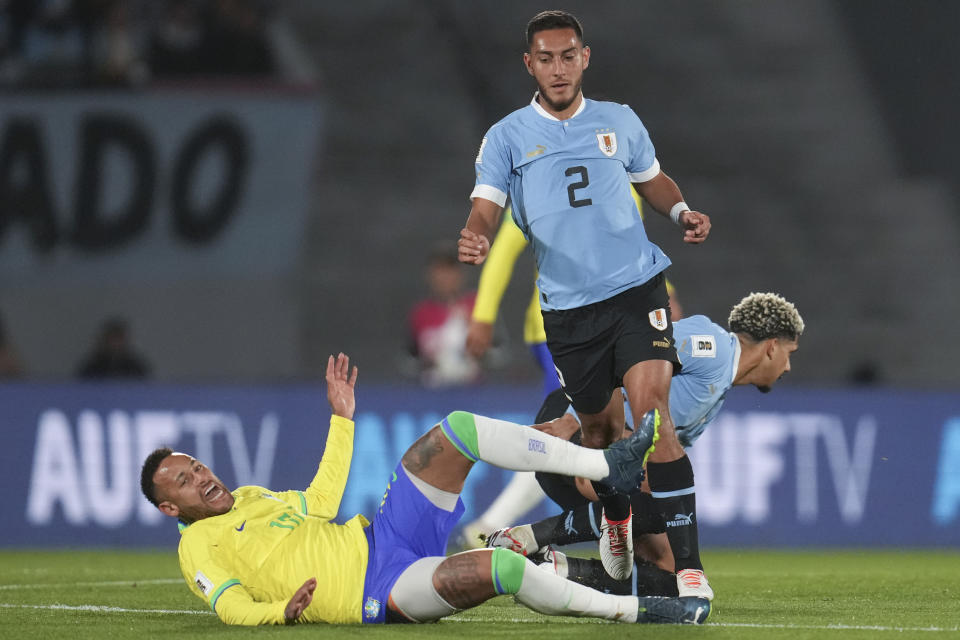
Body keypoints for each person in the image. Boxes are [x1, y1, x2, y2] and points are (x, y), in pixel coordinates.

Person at [140, 354, 710, 626]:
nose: (203, 477)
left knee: (457, 430)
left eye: (196, 466)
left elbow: (321, 503)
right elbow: (229, 606)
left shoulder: (250, 499)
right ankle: (637, 611)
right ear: (171, 508)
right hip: (380, 587)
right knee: (500, 570)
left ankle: (606, 465)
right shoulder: (197, 548)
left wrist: (343, 419)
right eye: (186, 481)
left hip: (384, 535)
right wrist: (278, 615)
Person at [457, 9, 712, 594]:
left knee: (654, 419)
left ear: (585, 57)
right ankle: (616, 521)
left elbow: (653, 179)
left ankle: (690, 567)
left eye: (568, 56)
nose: (558, 68)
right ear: (529, 64)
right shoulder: (506, 137)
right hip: (570, 314)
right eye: (545, 58)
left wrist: (679, 212)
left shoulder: (618, 122)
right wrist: (475, 232)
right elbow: (486, 205)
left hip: (637, 289)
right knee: (599, 437)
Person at [486, 292, 804, 596]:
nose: (788, 368)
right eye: (790, 355)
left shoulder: (718, 390)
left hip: (604, 442)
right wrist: (574, 418)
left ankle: (551, 568)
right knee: (667, 504)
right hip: (584, 419)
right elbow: (628, 355)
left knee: (666, 573)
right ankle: (531, 536)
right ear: (773, 347)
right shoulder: (713, 346)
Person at [459, 196, 683, 548]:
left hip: (621, 324)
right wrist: (483, 315)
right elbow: (502, 252)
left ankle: (504, 524)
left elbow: (630, 252)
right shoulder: (544, 181)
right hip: (563, 329)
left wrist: (663, 293)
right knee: (573, 429)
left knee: (599, 429)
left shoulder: (624, 183)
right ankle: (493, 525)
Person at [406, 249, 480, 387]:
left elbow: (499, 355)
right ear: (430, 275)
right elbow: (409, 359)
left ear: (460, 274)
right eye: (439, 271)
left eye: (450, 270)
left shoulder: (477, 307)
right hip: (432, 393)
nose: (445, 277)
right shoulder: (421, 313)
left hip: (474, 392)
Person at [76, 317, 151, 379]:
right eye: (112, 339)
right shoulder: (93, 367)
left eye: (118, 339)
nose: (115, 344)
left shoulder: (135, 367)